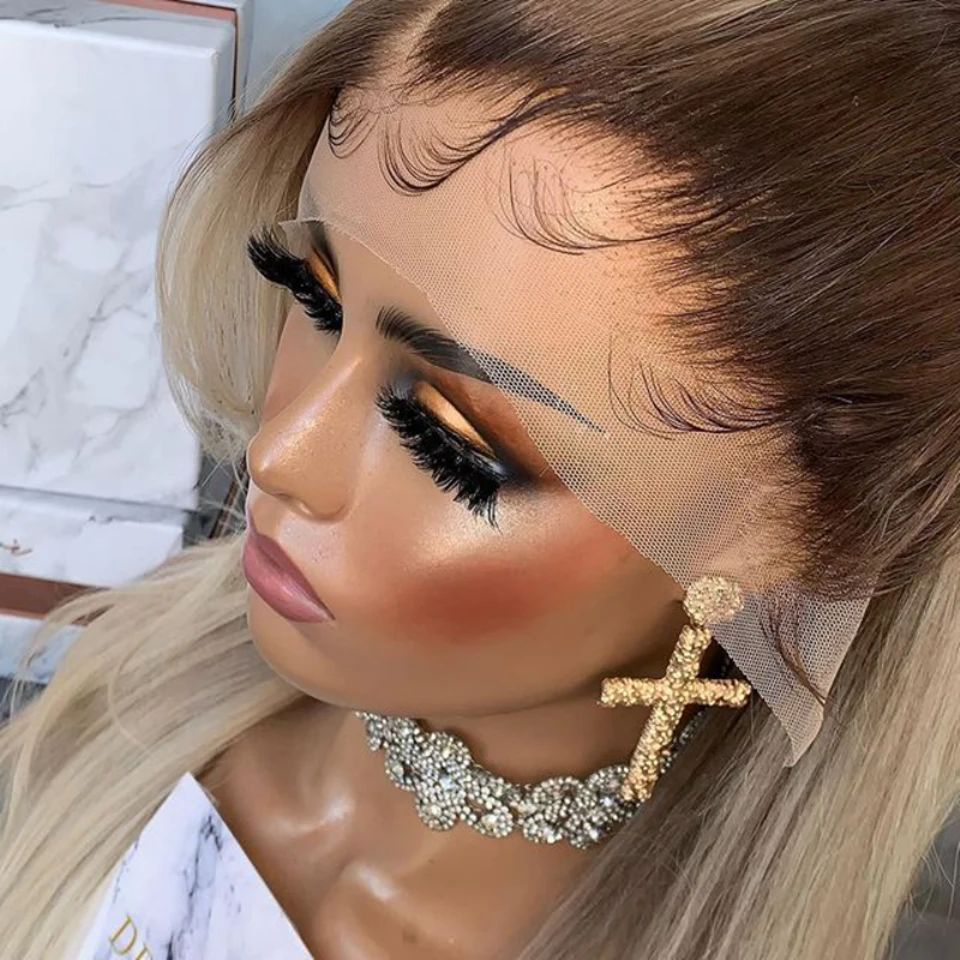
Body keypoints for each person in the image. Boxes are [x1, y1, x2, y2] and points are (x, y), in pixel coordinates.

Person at [2, 1, 959, 958]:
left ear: (789, 541)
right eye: (318, 303)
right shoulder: (123, 698)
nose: (278, 456)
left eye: (447, 439)